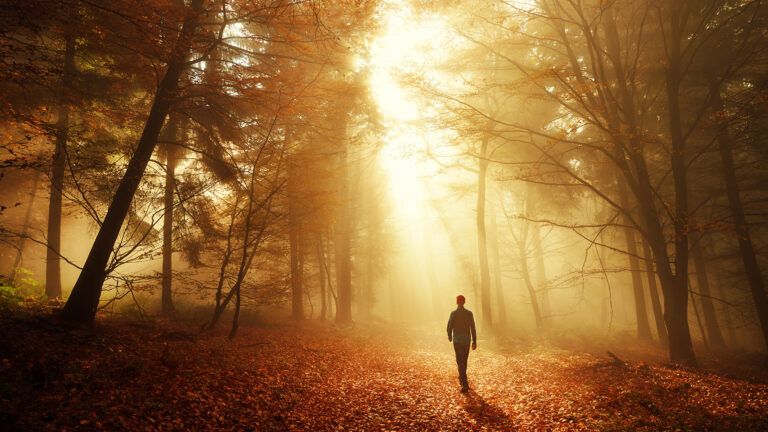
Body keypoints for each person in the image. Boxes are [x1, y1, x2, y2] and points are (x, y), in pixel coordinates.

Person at [446, 294, 477, 392]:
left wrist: (450, 336)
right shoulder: (469, 313)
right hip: (466, 340)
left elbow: (449, 326)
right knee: (464, 360)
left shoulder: (453, 314)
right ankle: (463, 378)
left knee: (460, 361)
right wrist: (474, 341)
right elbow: (473, 327)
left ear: (456, 302)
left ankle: (464, 383)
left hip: (457, 340)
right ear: (464, 302)